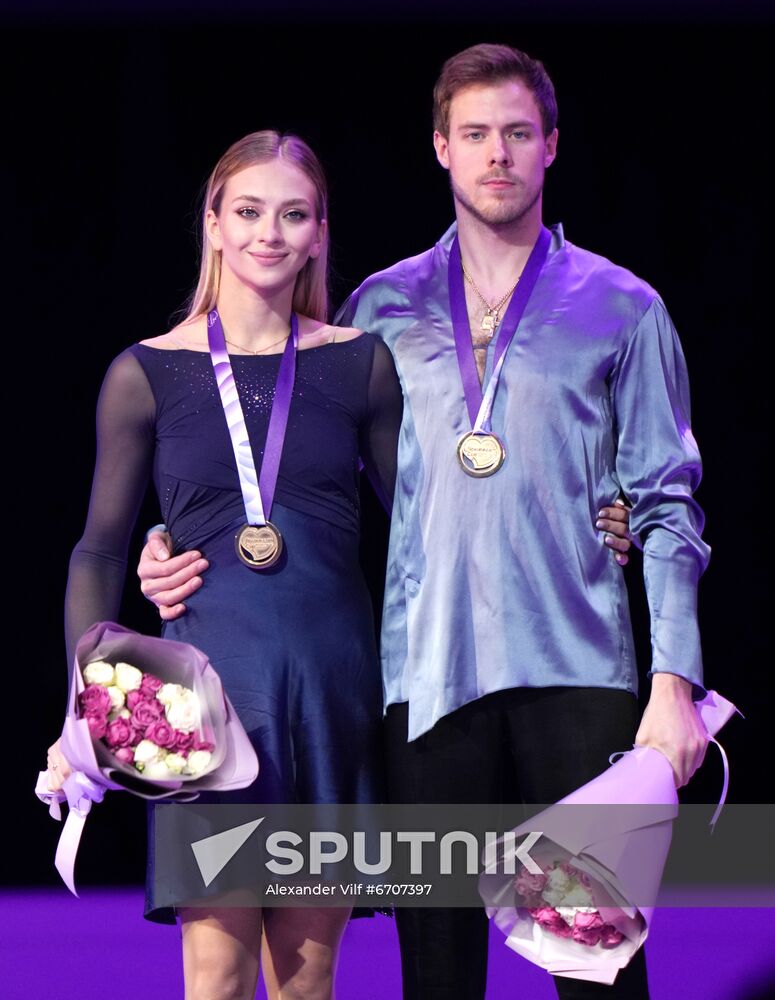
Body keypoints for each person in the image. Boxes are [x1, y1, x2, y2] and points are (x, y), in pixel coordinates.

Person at [133, 43, 692, 1000]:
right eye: (474, 134)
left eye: (517, 133)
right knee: (436, 973)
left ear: (552, 145)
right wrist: (175, 543)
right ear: (440, 147)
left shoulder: (622, 305)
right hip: (423, 682)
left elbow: (669, 503)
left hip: (576, 671)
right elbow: (293, 478)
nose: (497, 154)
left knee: (598, 967)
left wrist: (672, 678)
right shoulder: (378, 311)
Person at [46, 130, 404, 1000]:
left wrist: (590, 514)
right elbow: (98, 551)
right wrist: (87, 704)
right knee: (215, 979)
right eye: (246, 212)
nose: (267, 234)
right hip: (205, 704)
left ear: (319, 233)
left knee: (307, 982)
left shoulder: (359, 363)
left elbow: (421, 531)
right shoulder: (146, 373)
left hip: (329, 693)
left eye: (293, 215)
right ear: (211, 224)